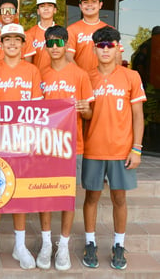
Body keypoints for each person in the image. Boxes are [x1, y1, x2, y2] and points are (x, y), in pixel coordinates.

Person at [82, 26, 146, 270]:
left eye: (110, 45)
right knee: (92, 197)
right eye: (101, 46)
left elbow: (138, 115)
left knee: (119, 197)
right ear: (94, 48)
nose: (106, 50)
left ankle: (119, 244)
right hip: (93, 149)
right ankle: (90, 242)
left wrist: (137, 148)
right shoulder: (86, 76)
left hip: (122, 150)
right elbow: (86, 114)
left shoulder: (132, 76)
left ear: (118, 47)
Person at [0, 23, 43, 270]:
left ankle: (20, 245)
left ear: (23, 44)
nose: (13, 44)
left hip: (24, 140)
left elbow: (39, 109)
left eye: (17, 40)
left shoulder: (33, 71)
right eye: (8, 40)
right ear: (1, 44)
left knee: (21, 194)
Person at [37, 25, 94, 270]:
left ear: (67, 45)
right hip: (46, 145)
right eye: (50, 43)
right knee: (45, 195)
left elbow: (90, 112)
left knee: (67, 197)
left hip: (73, 145)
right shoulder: (40, 74)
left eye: (59, 42)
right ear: (45, 47)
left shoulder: (80, 74)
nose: (55, 47)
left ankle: (63, 245)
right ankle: (46, 242)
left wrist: (85, 109)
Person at [66, 0, 122, 71]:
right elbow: (68, 57)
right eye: (85, 2)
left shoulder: (110, 30)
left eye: (94, 1)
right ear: (80, 6)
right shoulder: (71, 29)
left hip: (103, 81)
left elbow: (117, 56)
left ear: (100, 5)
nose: (90, 5)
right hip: (80, 81)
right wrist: (82, 77)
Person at [0, 0, 35, 69]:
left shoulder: (26, 36)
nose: (7, 14)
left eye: (11, 10)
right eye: (4, 10)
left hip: (19, 78)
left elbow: (29, 68)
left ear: (16, 14)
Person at [25, 0, 58, 72]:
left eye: (50, 5)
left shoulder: (61, 32)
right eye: (42, 6)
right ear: (38, 11)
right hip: (36, 79)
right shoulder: (29, 34)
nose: (46, 9)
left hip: (55, 81)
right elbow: (27, 63)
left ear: (55, 10)